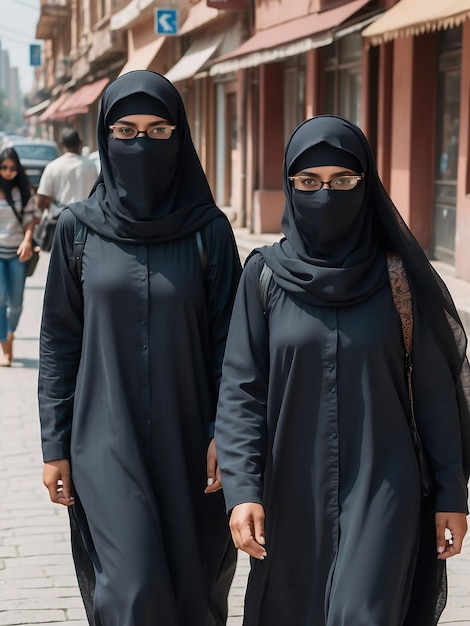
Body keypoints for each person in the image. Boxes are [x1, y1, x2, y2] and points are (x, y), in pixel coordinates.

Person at [215, 115, 470, 626]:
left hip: (386, 483)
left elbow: (436, 394)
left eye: (343, 182)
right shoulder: (264, 277)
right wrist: (242, 488)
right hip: (290, 488)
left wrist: (451, 496)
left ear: (366, 184)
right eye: (308, 182)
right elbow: (242, 390)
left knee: (364, 613)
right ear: (290, 185)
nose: (325, 194)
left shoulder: (396, 278)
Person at [38, 70, 242, 625]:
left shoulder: (209, 232)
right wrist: (54, 442)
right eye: (125, 130)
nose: (140, 143)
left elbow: (233, 344)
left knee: (192, 597)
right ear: (104, 139)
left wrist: (227, 432)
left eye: (157, 129)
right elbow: (59, 339)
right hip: (104, 439)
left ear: (181, 137)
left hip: (192, 443)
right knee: (133, 590)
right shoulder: (78, 230)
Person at [0, 147, 35, 366]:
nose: (8, 172)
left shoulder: (24, 190)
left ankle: (10, 331)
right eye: (3, 167)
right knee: (1, 299)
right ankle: (5, 347)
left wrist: (27, 240)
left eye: (13, 168)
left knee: (17, 302)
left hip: (17, 253)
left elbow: (30, 219)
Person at [36, 127, 98, 211]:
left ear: (61, 144)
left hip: (60, 216)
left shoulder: (53, 166)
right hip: (86, 216)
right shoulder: (91, 165)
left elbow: (42, 198)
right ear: (80, 143)